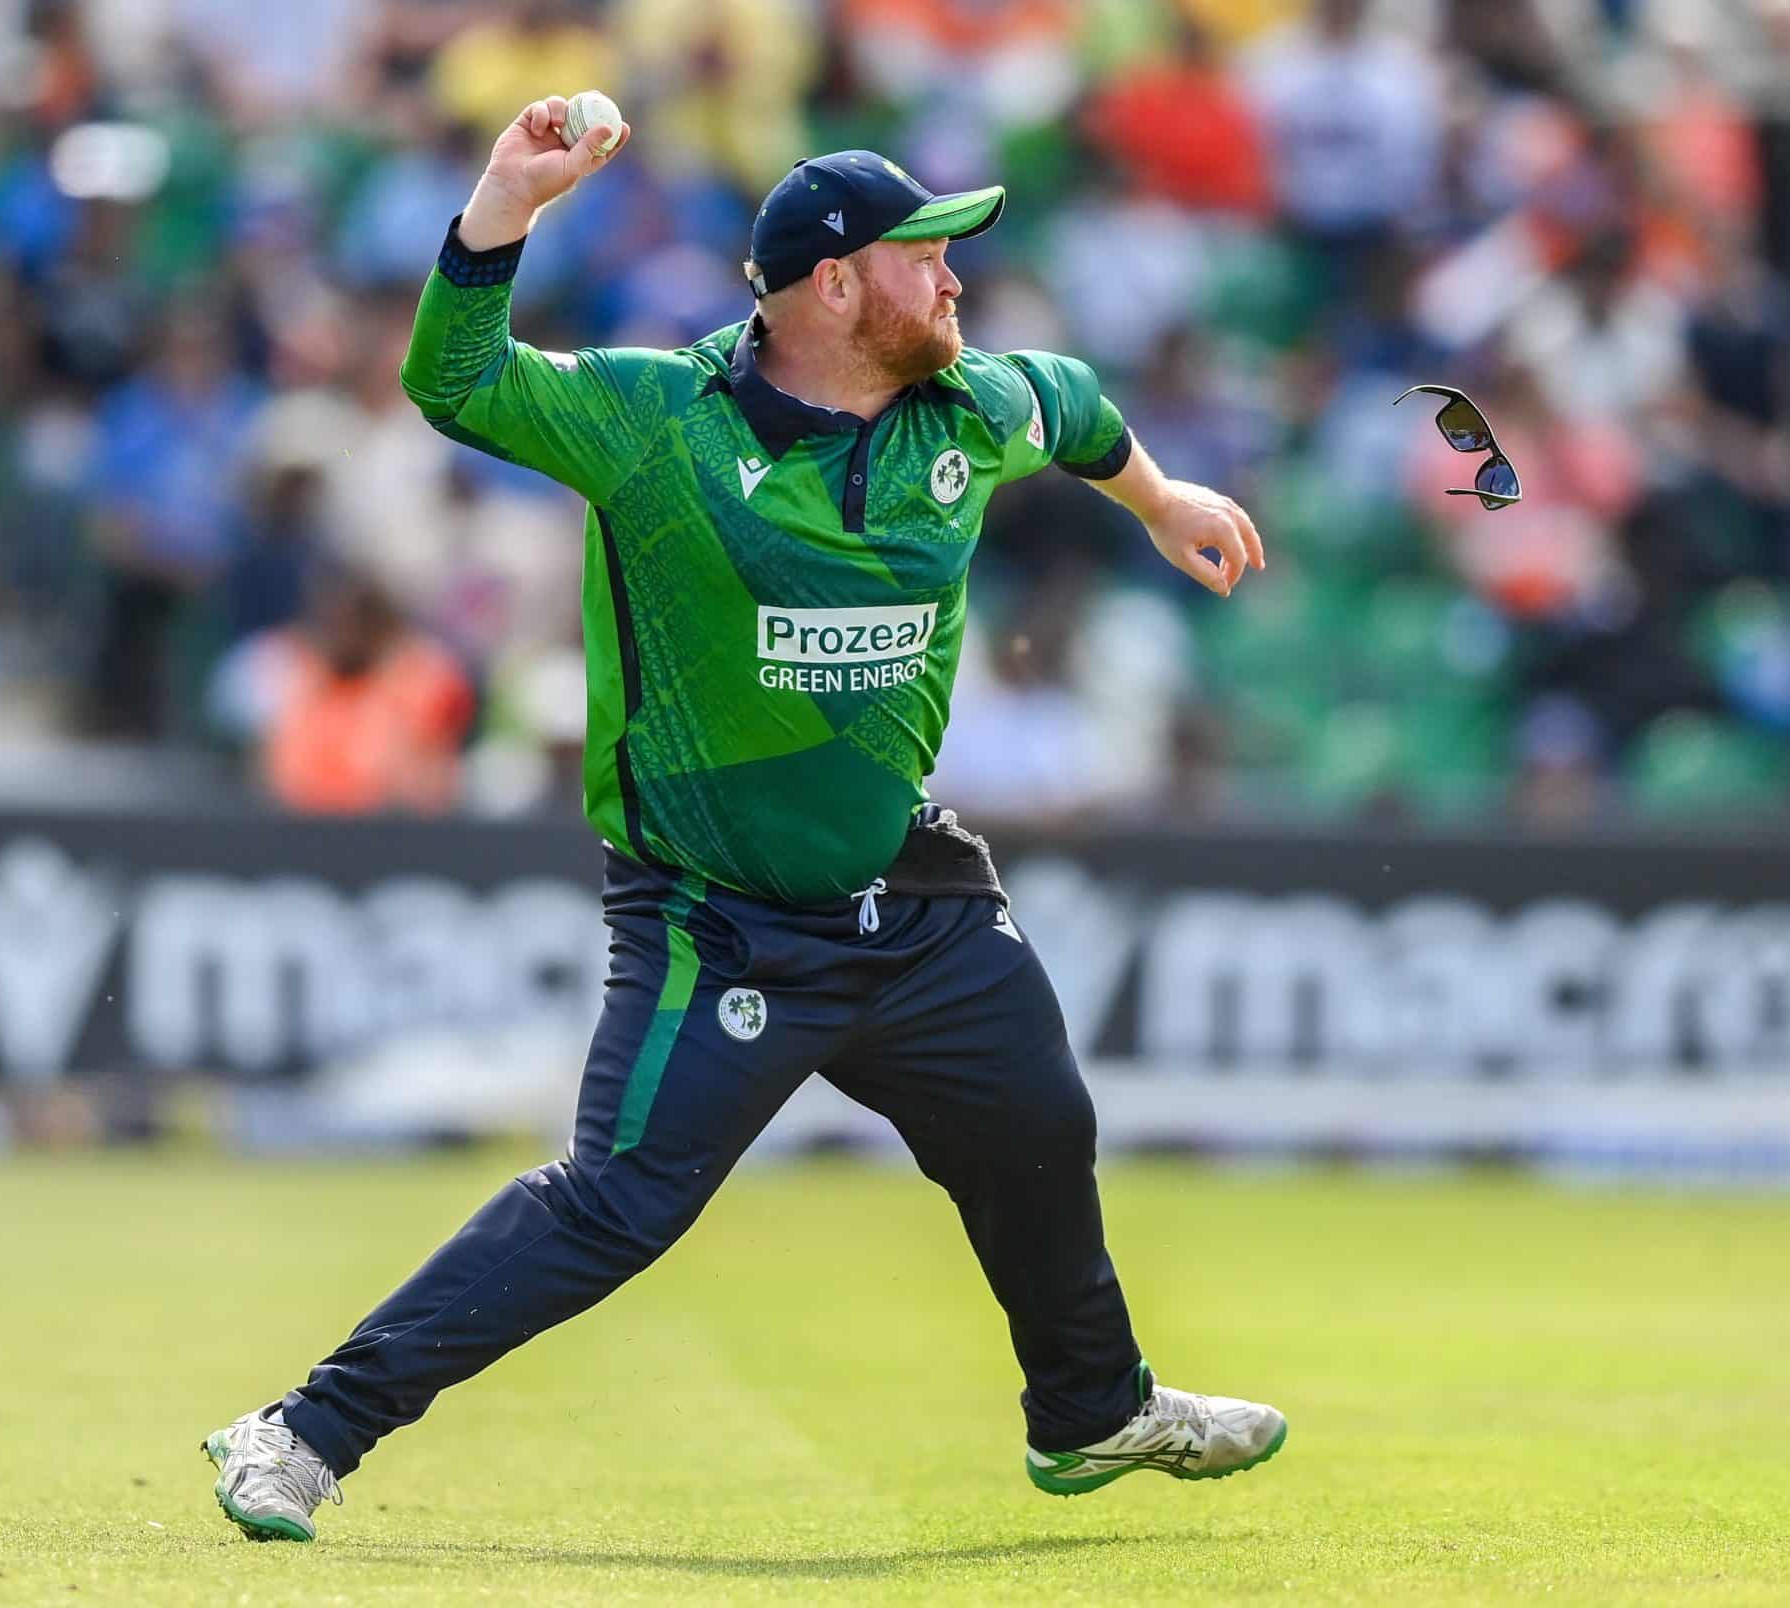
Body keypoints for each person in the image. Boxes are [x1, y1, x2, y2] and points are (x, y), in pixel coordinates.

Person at [203, 94, 1285, 1542]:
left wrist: (1161, 504)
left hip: (908, 895)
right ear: (836, 284)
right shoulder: (662, 424)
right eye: (927, 256)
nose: (956, 280)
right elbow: (454, 384)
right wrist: (503, 204)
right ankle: (300, 1429)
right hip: (719, 919)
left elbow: (1082, 407)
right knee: (613, 1209)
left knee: (1038, 1122)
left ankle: (1090, 1412)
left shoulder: (973, 405)